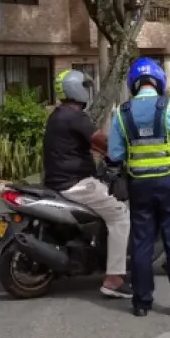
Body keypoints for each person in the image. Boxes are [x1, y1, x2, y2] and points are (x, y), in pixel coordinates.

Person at [108, 58, 170, 319]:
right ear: (159, 81)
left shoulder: (121, 112)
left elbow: (115, 153)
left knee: (141, 244)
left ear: (133, 83)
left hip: (139, 186)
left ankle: (141, 303)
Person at [42, 69, 131, 298]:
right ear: (76, 89)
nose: (87, 90)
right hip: (77, 184)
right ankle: (113, 279)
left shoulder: (58, 114)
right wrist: (125, 150)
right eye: (84, 86)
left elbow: (83, 145)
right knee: (120, 215)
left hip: (57, 181)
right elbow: (101, 140)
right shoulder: (76, 117)